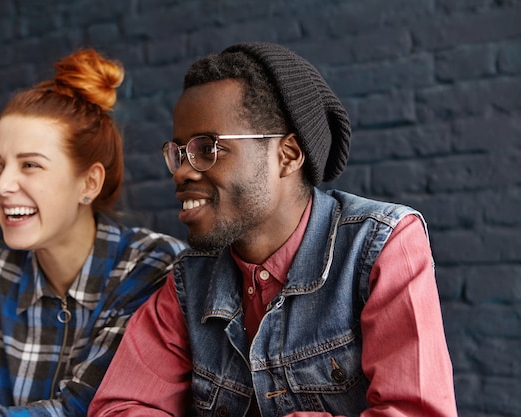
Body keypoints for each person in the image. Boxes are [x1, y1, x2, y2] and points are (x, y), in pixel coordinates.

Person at [87, 42, 458, 417]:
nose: (182, 170)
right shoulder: (189, 280)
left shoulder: (381, 245)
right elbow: (122, 406)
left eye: (207, 147)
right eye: (179, 152)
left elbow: (416, 411)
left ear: (288, 155)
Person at [0, 48, 186, 416]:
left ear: (89, 182)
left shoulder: (151, 268)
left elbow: (80, 409)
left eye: (30, 165)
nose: (3, 185)